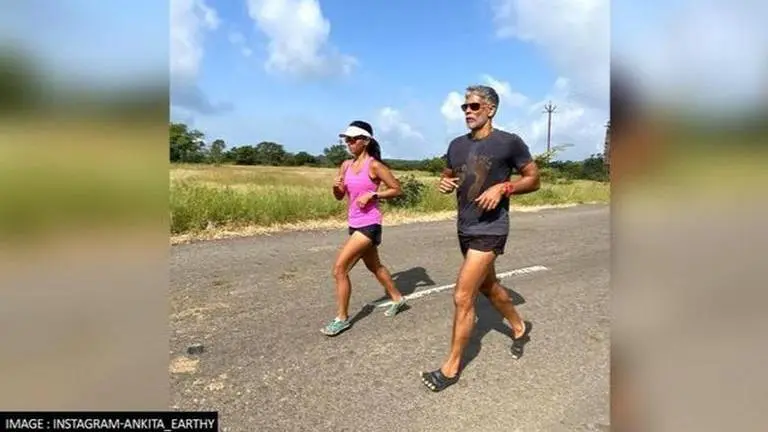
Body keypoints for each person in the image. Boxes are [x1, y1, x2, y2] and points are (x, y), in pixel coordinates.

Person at [420, 85, 541, 392]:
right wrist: (445, 183)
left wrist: (504, 188)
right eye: (465, 107)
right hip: (465, 227)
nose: (468, 112)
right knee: (489, 287)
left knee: (463, 296)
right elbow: (448, 174)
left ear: (491, 109)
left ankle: (450, 368)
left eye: (474, 106)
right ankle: (519, 326)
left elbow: (533, 178)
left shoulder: (508, 142)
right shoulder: (456, 145)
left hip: (492, 228)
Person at [320, 120, 408, 336]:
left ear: (366, 141)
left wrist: (374, 194)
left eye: (353, 139)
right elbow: (340, 196)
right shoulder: (345, 165)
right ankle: (397, 298)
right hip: (354, 222)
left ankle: (342, 318)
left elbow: (397, 190)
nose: (349, 143)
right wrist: (336, 189)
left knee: (339, 269)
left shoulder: (375, 166)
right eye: (346, 139)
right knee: (374, 266)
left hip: (370, 224)